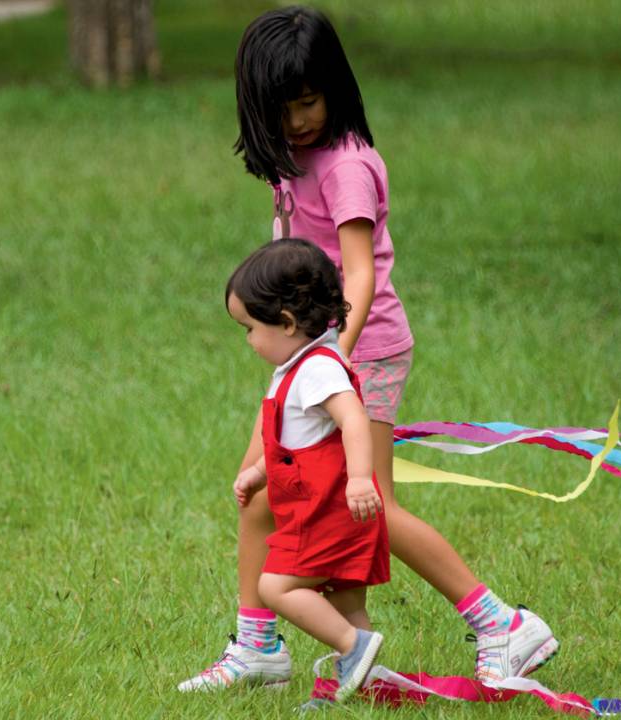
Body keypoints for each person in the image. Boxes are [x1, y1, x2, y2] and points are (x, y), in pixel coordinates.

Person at [178, 5, 557, 692]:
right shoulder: (291, 160)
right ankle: (266, 645)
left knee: (370, 500)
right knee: (263, 493)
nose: (298, 121)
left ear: (336, 89)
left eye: (309, 102)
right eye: (283, 108)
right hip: (314, 356)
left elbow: (359, 274)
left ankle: (501, 622)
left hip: (360, 352)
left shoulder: (346, 166)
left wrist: (331, 362)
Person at [190, 238, 389, 700]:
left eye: (249, 328)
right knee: (345, 601)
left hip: (327, 513)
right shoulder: (301, 362)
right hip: (340, 514)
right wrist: (259, 472)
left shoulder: (318, 369)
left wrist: (361, 477)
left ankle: (351, 646)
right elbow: (299, 439)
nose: (248, 340)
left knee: (275, 585)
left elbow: (354, 418)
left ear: (286, 322)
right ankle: (365, 682)